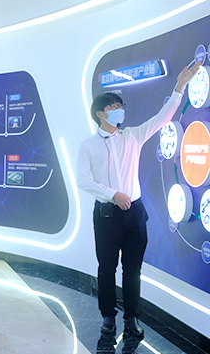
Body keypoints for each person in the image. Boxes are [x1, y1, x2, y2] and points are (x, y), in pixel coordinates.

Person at [77, 61, 200, 338]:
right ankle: (108, 316)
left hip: (135, 213)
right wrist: (112, 194)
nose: (120, 110)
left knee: (133, 270)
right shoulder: (88, 145)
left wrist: (180, 86)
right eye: (114, 107)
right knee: (106, 268)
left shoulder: (132, 136)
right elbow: (83, 180)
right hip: (107, 215)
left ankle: (132, 318)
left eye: (121, 106)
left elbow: (162, 118)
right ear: (100, 113)